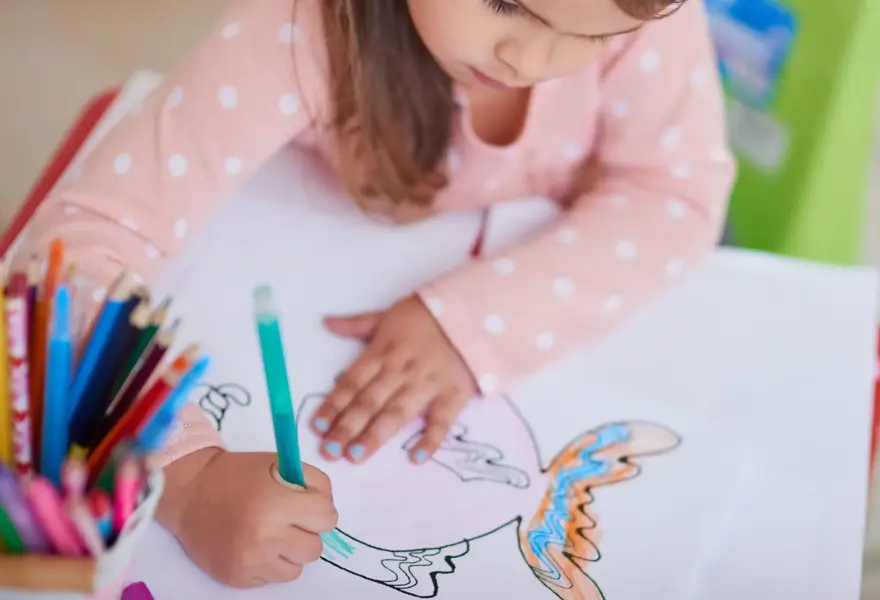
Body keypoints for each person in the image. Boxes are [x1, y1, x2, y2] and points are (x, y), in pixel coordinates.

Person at [15, 0, 735, 588]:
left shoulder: (657, 18)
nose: (530, 61)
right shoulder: (300, 25)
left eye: (594, 35)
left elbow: (675, 193)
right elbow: (74, 251)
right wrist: (183, 473)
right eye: (507, 5)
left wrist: (475, 322)